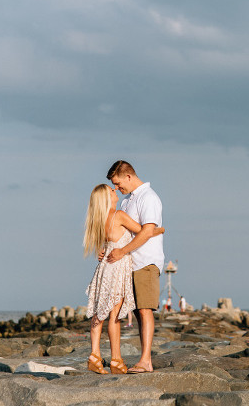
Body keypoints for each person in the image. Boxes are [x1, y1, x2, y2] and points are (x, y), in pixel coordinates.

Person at [83, 184, 165, 374]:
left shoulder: (99, 219)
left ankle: (94, 355)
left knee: (98, 312)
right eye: (111, 190)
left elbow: (105, 245)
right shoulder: (118, 215)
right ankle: (116, 360)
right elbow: (144, 231)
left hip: (104, 268)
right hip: (118, 267)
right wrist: (161, 229)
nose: (115, 190)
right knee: (114, 315)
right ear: (106, 197)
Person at [104, 160, 163, 374]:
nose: (118, 189)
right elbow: (122, 232)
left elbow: (147, 231)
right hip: (129, 263)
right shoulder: (127, 201)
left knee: (145, 309)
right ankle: (142, 358)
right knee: (138, 311)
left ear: (128, 176)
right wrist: (108, 249)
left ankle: (146, 360)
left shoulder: (149, 197)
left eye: (119, 184)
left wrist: (122, 251)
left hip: (146, 260)